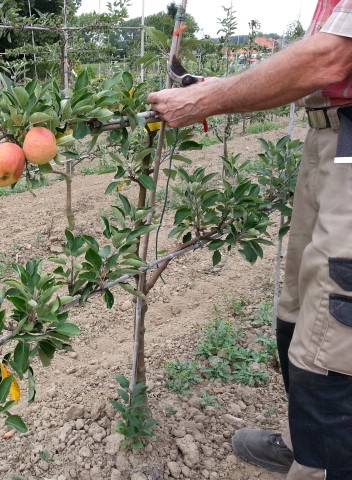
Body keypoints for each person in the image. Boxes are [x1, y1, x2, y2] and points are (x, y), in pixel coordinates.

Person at [148, 2, 352, 479]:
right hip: (328, 137)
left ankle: (327, 466)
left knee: (336, 331)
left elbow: (331, 58)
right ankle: (307, 447)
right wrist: (214, 89)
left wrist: (213, 98)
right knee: (300, 305)